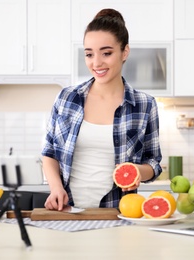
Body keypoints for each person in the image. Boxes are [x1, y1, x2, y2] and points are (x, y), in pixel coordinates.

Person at [41, 8, 162, 210]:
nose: (96, 62)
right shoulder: (66, 98)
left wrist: (138, 171)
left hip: (118, 211)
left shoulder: (144, 105)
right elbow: (49, 152)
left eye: (106, 53)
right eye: (89, 54)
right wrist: (55, 188)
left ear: (125, 52)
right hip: (68, 211)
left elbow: (153, 162)